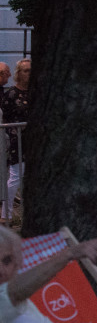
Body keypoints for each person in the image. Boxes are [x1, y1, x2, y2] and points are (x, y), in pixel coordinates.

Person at [1, 58, 30, 222]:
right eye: (26, 71)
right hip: (17, 138)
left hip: (33, 139)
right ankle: (6, 213)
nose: (29, 74)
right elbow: (6, 118)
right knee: (16, 175)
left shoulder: (36, 92)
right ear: (19, 74)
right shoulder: (11, 94)